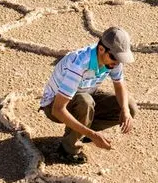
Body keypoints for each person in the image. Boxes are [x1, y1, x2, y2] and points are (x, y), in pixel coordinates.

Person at [39, 27, 138, 164]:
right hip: (54, 105)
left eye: (120, 58)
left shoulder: (112, 61)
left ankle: (82, 131)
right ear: (102, 49)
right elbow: (58, 109)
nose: (117, 63)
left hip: (86, 93)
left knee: (129, 105)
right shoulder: (79, 64)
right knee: (85, 102)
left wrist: (125, 111)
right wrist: (92, 135)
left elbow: (119, 85)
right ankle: (67, 150)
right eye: (114, 57)